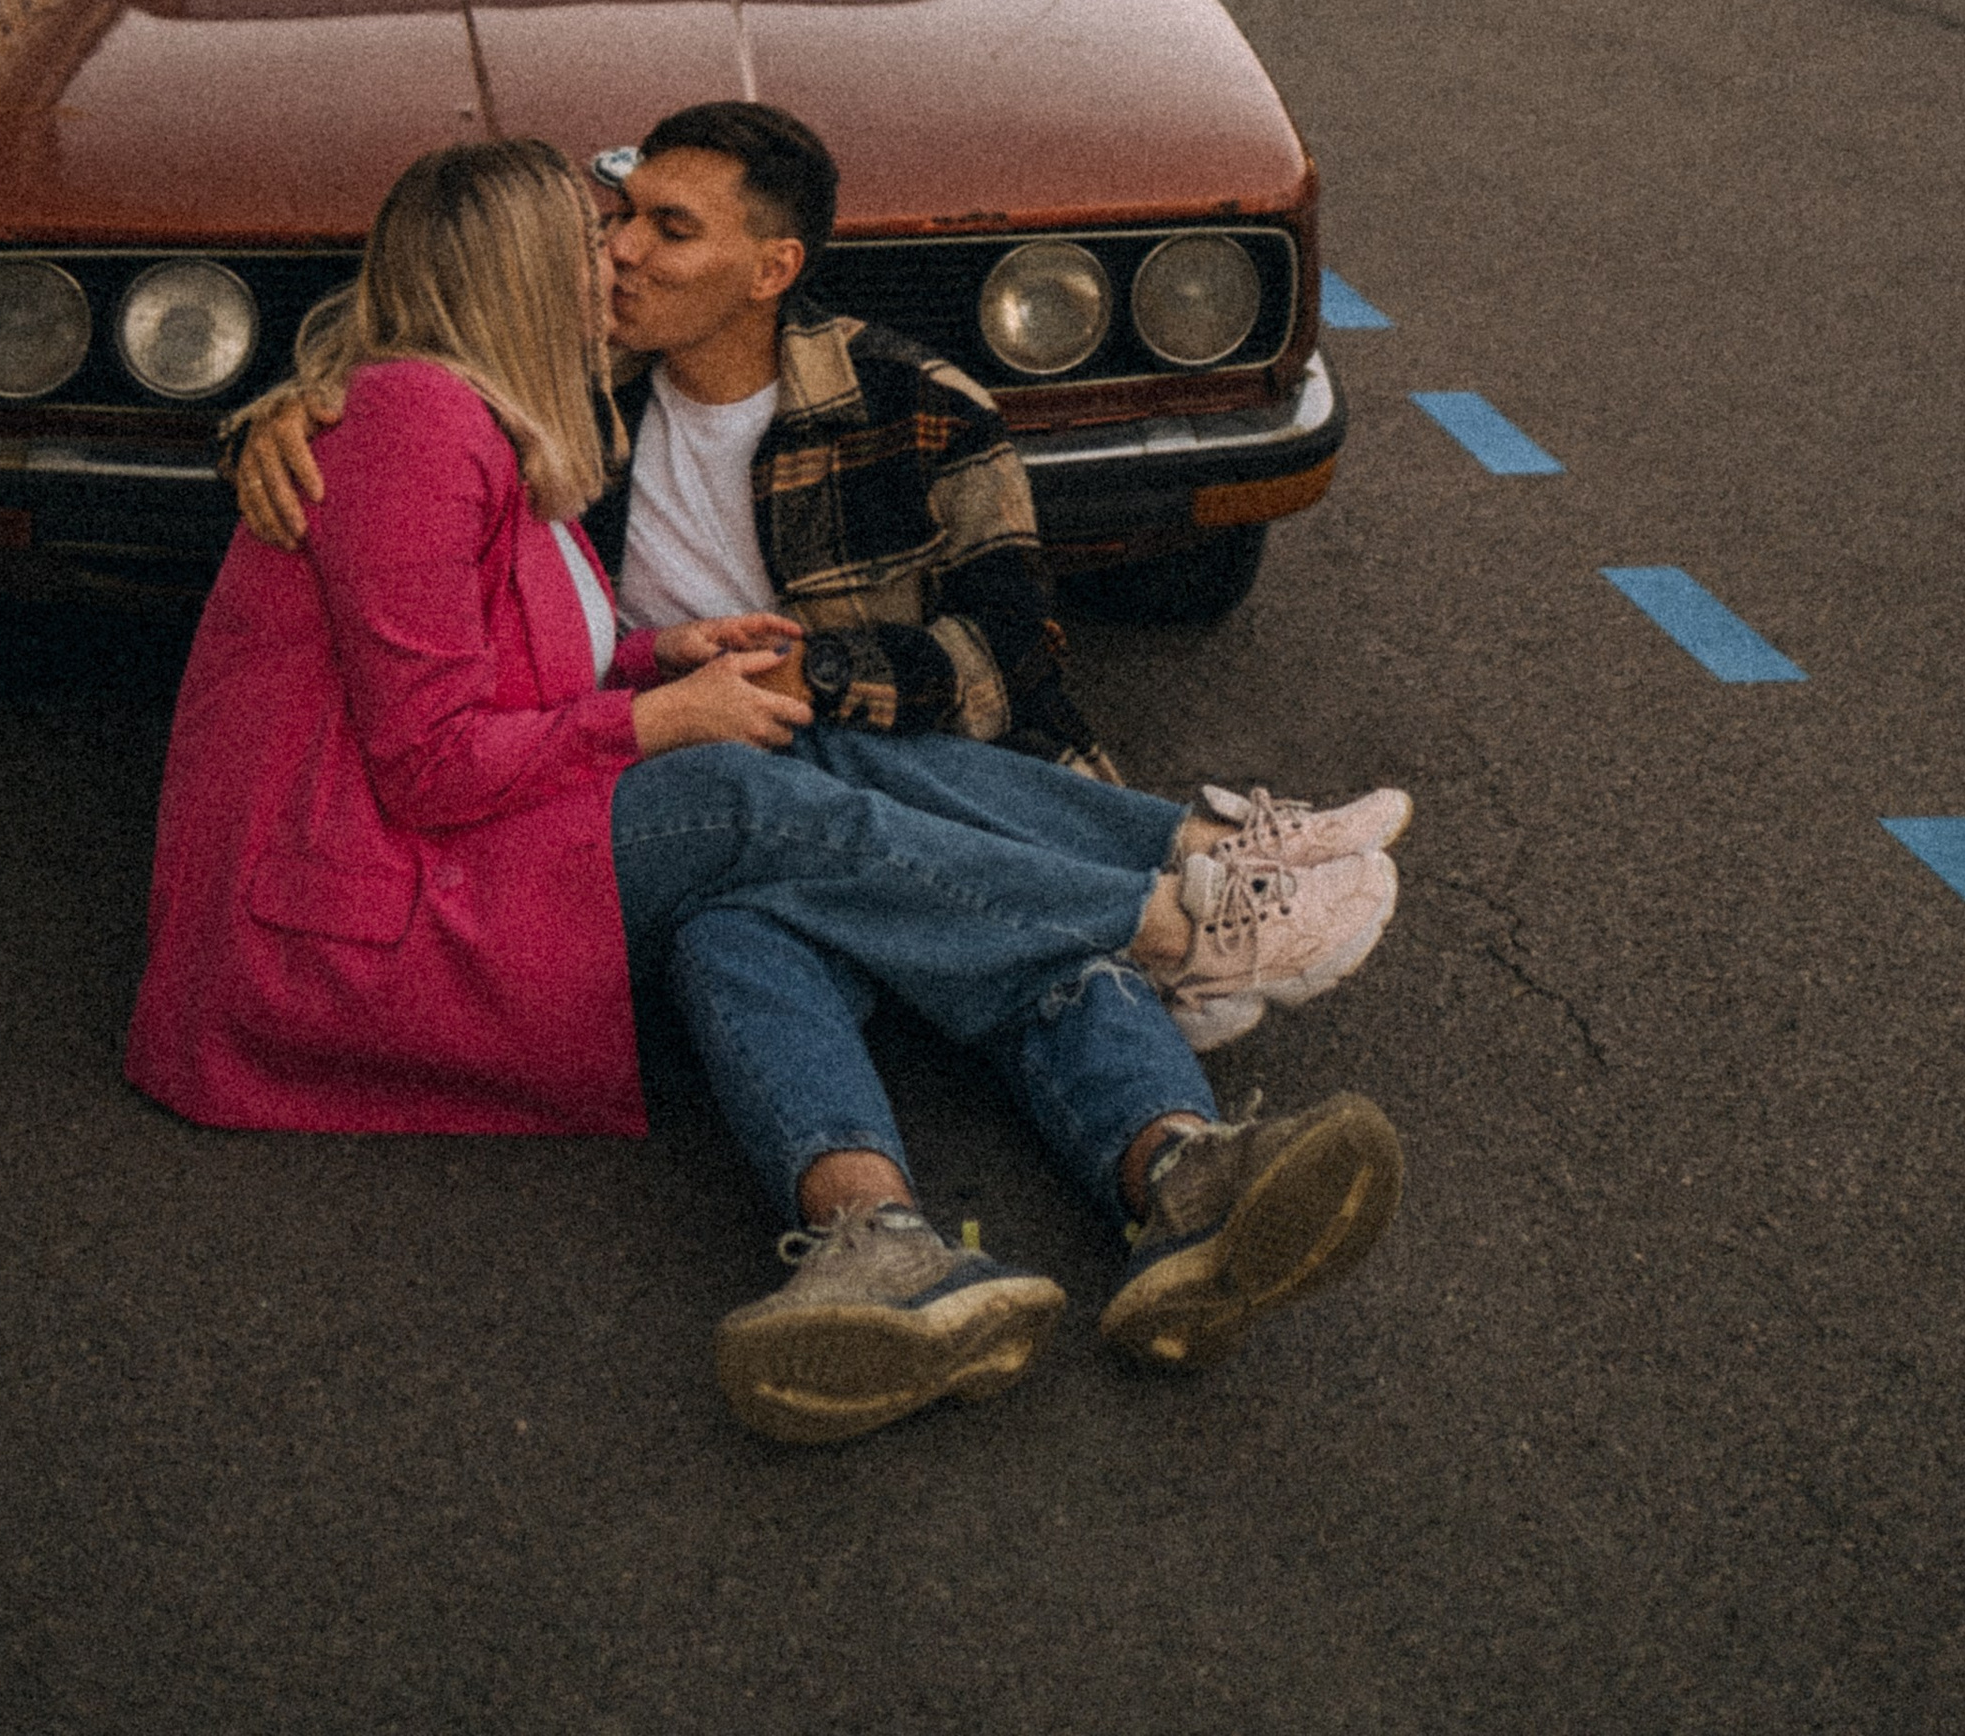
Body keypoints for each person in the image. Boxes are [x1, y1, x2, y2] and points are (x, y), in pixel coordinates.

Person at [156, 134, 1408, 1445]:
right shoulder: (453, 418)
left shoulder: (877, 395)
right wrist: (656, 706)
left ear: (773, 268)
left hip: (674, 807)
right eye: (602, 236)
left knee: (790, 869)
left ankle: (943, 1230)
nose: (623, 256)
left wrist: (667, 662)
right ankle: (1180, 930)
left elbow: (1005, 666)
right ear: (524, 273)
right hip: (379, 903)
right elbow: (429, 747)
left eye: (656, 231)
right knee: (778, 807)